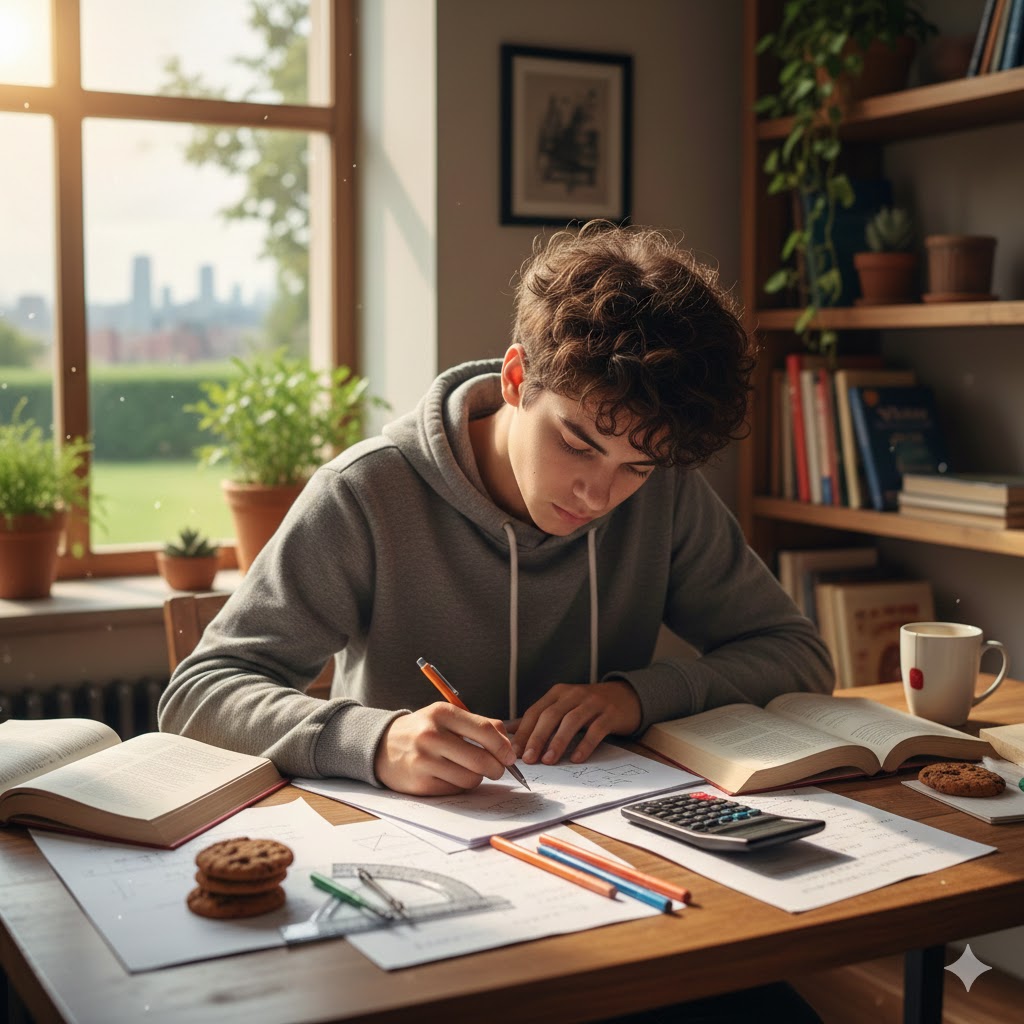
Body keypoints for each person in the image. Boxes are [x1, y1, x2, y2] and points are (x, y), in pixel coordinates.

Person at [158, 220, 834, 797]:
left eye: (636, 466)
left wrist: (635, 696)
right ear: (516, 379)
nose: (598, 496)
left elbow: (797, 656)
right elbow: (198, 695)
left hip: (611, 839)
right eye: (577, 443)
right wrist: (377, 739)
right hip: (410, 853)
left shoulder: (667, 492)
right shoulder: (366, 493)